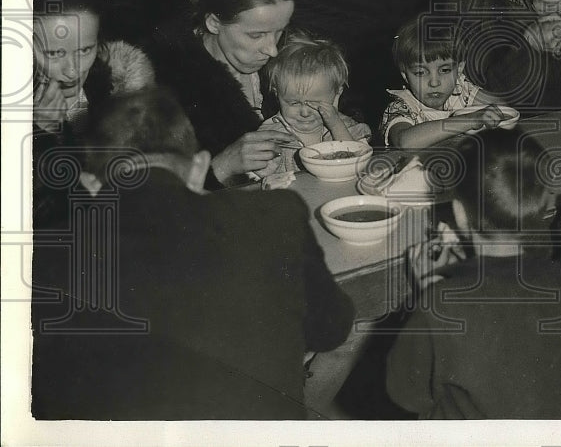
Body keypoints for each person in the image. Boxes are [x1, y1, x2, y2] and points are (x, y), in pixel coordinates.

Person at [31, 87, 355, 419]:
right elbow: (332, 329)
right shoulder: (276, 215)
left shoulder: (41, 259)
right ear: (200, 167)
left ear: (91, 183)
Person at [385, 129, 561, 418]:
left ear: (460, 215)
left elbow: (406, 393)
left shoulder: (441, 302)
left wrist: (428, 290)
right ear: (544, 207)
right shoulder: (559, 279)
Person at [147, 0, 295, 187]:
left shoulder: (291, 59)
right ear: (214, 23)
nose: (273, 50)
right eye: (256, 35)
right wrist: (224, 166)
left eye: (279, 32)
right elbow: (154, 198)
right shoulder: (166, 88)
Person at [32, 0, 154, 228]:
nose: (73, 70)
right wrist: (42, 135)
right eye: (54, 54)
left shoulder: (121, 89)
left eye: (85, 49)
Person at [256, 29, 372, 183]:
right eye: (294, 103)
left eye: (315, 103)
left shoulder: (346, 127)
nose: (304, 112)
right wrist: (263, 173)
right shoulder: (270, 133)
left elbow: (358, 163)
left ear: (337, 94)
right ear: (277, 94)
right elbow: (254, 182)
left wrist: (336, 124)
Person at [380, 13, 505, 148]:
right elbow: (405, 141)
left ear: (459, 69)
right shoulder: (402, 106)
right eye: (420, 72)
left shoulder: (461, 92)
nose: (434, 83)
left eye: (444, 70)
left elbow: (501, 108)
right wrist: (470, 120)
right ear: (405, 75)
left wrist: (490, 115)